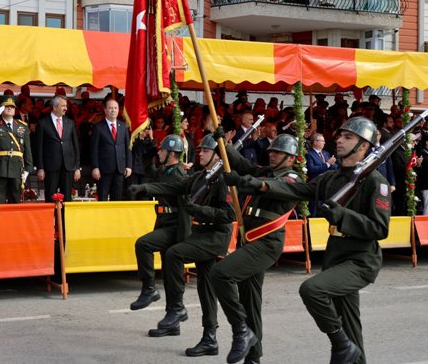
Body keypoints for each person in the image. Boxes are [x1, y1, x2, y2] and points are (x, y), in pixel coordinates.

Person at [257, 117, 390, 364]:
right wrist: (261, 185)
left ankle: (340, 343)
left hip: (360, 260)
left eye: (348, 137)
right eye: (340, 136)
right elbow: (299, 191)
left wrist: (342, 215)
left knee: (312, 290)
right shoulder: (333, 178)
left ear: (363, 146)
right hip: (336, 255)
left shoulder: (376, 182)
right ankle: (348, 350)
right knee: (351, 328)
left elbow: (380, 229)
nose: (338, 140)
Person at [131, 134, 234, 356]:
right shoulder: (201, 176)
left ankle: (177, 308)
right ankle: (210, 338)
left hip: (216, 237)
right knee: (205, 288)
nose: (201, 153)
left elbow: (228, 215)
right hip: (202, 234)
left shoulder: (224, 178)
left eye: (206, 150)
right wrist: (145, 189)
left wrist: (198, 210)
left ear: (217, 155)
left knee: (173, 254)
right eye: (200, 150)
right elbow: (175, 187)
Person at [215, 134, 302, 364]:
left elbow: (272, 187)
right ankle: (253, 358)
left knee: (220, 274)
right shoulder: (265, 171)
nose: (271, 154)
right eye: (271, 151)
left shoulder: (292, 178)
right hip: (250, 241)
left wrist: (244, 182)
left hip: (266, 243)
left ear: (291, 158)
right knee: (250, 301)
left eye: (277, 152)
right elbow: (244, 165)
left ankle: (241, 330)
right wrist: (223, 142)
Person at [128, 135, 189, 314]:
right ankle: (173, 316)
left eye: (162, 150)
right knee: (169, 271)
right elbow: (149, 170)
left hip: (174, 225)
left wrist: (145, 188)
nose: (159, 152)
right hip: (163, 222)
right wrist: (146, 147)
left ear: (171, 154)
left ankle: (149, 289)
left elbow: (165, 190)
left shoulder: (179, 174)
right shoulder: (165, 170)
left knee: (143, 244)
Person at [0, 96, 33, 204]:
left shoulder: (22, 126)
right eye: (6, 106)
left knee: (16, 202)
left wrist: (27, 169)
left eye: (12, 106)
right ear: (0, 109)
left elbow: (27, 149)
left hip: (16, 168)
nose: (9, 108)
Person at [35, 95, 81, 202]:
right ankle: (51, 219)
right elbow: (39, 148)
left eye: (66, 106)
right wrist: (40, 168)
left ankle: (65, 219)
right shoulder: (42, 123)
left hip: (68, 166)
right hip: (50, 166)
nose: (66, 108)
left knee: (67, 198)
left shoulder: (70, 123)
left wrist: (77, 167)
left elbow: (75, 146)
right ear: (55, 107)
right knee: (50, 196)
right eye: (63, 106)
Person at [90, 97, 132, 201]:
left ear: (119, 110)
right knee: (103, 198)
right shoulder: (98, 127)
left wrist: (128, 165)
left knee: (117, 199)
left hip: (119, 169)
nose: (113, 110)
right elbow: (94, 149)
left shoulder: (124, 126)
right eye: (110, 108)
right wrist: (95, 167)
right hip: (103, 170)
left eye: (115, 108)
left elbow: (128, 147)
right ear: (105, 110)